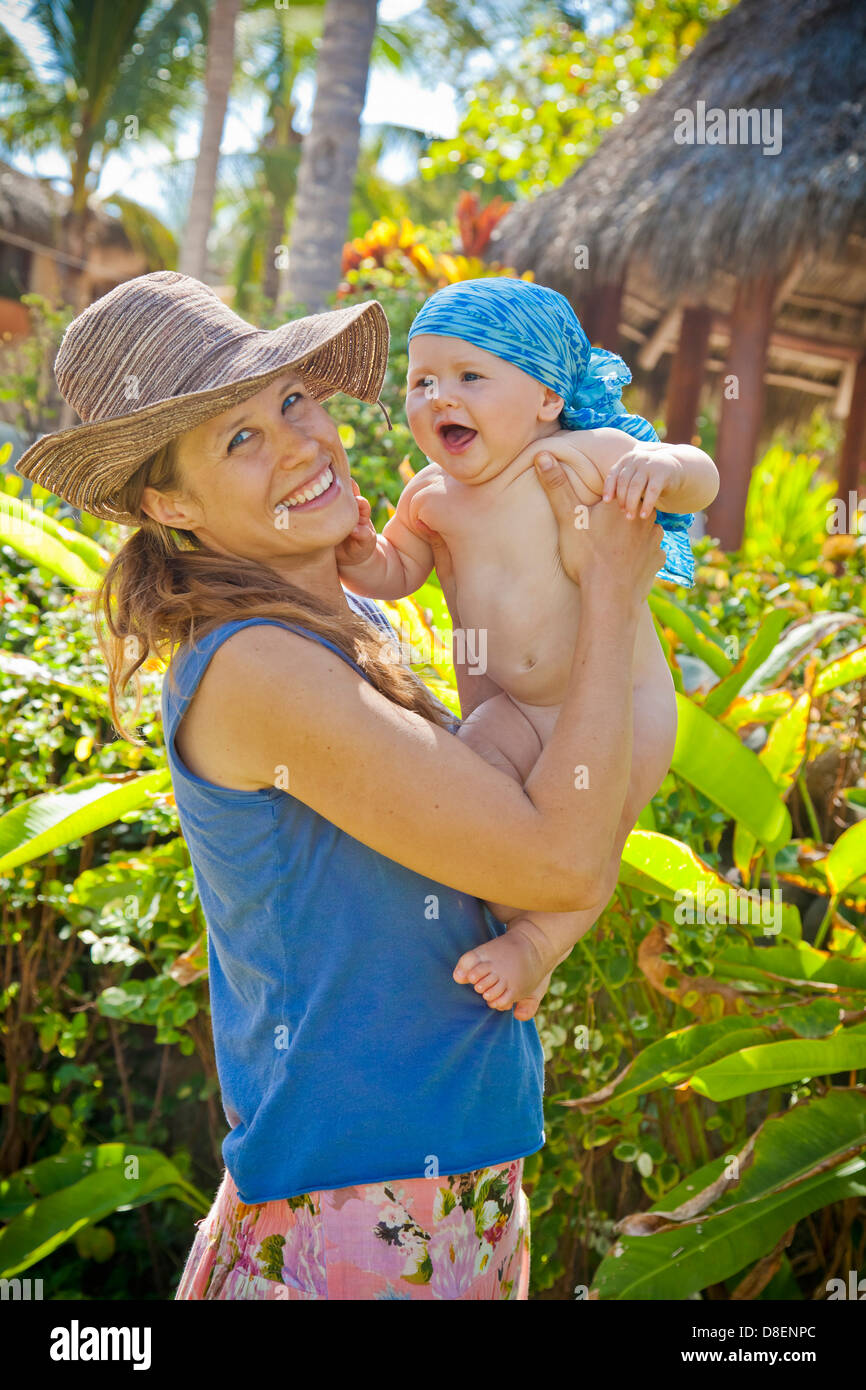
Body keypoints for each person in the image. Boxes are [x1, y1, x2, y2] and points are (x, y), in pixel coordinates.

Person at [15, 270, 665, 1301]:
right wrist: (610, 598)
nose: (300, 444)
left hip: (446, 1183)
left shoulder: (344, 627)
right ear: (168, 501)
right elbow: (557, 858)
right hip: (360, 1212)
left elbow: (517, 827)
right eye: (238, 440)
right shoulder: (259, 669)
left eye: (290, 401)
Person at [337, 276, 720, 1019]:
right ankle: (486, 916)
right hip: (517, 706)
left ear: (547, 397)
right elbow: (396, 572)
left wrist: (662, 468)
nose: (440, 397)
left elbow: (699, 481)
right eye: (422, 382)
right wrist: (358, 549)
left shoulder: (590, 454)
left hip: (626, 708)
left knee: (593, 841)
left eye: (471, 377)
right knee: (468, 789)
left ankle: (540, 946)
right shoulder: (428, 494)